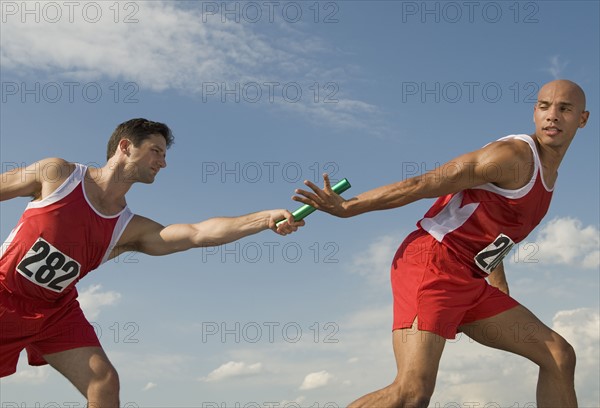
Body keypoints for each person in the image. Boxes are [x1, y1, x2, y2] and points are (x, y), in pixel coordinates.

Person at [292, 79, 590, 407]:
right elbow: (424, 182)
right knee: (412, 392)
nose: (553, 116)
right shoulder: (513, 156)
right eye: (545, 106)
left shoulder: (549, 176)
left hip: (470, 280)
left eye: (564, 109)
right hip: (432, 263)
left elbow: (497, 232)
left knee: (559, 356)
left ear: (582, 119)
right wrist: (349, 207)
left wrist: (498, 282)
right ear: (534, 112)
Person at [0, 118, 304, 405]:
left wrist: (263, 219)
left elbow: (197, 233)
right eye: (155, 151)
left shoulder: (129, 228)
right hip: (4, 296)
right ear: (125, 147)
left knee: (103, 382)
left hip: (56, 312)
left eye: (163, 154)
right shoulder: (58, 174)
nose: (163, 162)